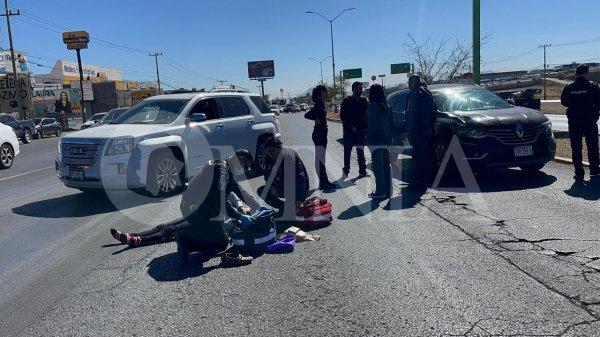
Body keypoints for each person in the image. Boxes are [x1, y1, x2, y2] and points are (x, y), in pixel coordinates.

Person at [110, 150, 259, 266]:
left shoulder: (222, 166)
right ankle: (139, 240)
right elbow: (220, 201)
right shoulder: (222, 171)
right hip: (197, 208)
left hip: (195, 205)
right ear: (240, 161)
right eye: (244, 166)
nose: (243, 170)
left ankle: (133, 235)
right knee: (216, 241)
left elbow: (241, 192)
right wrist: (239, 216)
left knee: (170, 225)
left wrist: (259, 208)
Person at [561, 64, 600, 181]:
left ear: (576, 74)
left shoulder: (569, 88)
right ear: (586, 74)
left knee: (576, 148)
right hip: (590, 121)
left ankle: (579, 173)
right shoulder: (593, 87)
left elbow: (564, 102)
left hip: (574, 122)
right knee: (593, 147)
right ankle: (594, 170)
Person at [258, 137, 310, 219]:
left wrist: (299, 199)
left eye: (272, 151)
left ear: (280, 148)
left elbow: (300, 179)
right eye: (268, 152)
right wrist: (271, 186)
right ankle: (284, 207)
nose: (270, 154)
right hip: (281, 185)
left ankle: (293, 206)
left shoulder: (290, 156)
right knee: (262, 191)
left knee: (293, 218)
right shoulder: (269, 158)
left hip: (296, 188)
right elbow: (267, 176)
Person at [405, 74, 437, 189]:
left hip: (417, 131)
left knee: (418, 156)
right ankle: (424, 179)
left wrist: (407, 130)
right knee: (425, 155)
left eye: (409, 82)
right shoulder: (427, 93)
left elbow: (411, 115)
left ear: (413, 82)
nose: (408, 84)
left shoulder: (415, 94)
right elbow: (434, 111)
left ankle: (420, 181)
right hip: (427, 130)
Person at [305, 85, 336, 190]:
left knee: (321, 158)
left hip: (321, 132)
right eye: (325, 92)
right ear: (321, 92)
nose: (326, 93)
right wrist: (316, 118)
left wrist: (317, 118)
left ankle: (324, 181)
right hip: (319, 133)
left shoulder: (320, 102)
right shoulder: (319, 103)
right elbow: (307, 115)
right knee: (320, 159)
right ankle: (323, 182)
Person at [366, 84, 394, 199]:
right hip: (387, 138)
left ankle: (380, 191)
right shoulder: (387, 105)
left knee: (378, 167)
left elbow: (373, 124)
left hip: (376, 138)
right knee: (386, 165)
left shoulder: (373, 106)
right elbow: (392, 122)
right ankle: (388, 190)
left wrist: (368, 138)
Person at [340, 81, 369, 179]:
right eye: (359, 88)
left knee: (360, 152)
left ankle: (362, 171)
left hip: (361, 131)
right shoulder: (346, 101)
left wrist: (365, 127)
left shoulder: (364, 101)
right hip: (349, 131)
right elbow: (343, 116)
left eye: (361, 88)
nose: (361, 90)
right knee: (347, 152)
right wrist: (352, 126)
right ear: (353, 89)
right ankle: (346, 170)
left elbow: (366, 115)